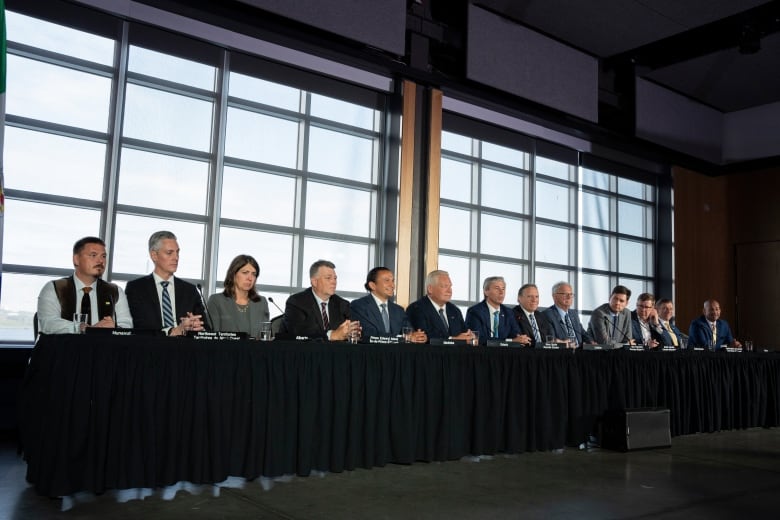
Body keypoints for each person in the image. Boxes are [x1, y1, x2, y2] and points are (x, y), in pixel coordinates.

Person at [37, 236, 133, 334]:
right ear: (76, 259)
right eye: (93, 255)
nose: (101, 261)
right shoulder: (54, 288)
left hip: (104, 348)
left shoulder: (115, 291)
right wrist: (82, 328)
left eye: (103, 256)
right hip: (63, 347)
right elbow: (48, 323)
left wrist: (115, 328)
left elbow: (127, 327)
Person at [125, 231, 206, 336]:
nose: (176, 258)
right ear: (154, 255)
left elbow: (206, 326)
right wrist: (173, 331)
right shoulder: (136, 288)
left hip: (185, 348)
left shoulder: (190, 290)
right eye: (169, 253)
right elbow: (138, 326)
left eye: (177, 252)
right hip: (150, 348)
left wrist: (196, 325)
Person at [349, 267, 427, 342]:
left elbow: (408, 332)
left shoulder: (398, 310)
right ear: (372, 285)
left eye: (393, 281)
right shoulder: (359, 306)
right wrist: (404, 338)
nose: (392, 285)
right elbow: (369, 334)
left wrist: (418, 336)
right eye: (387, 280)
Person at [285, 259, 352, 340]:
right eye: (328, 278)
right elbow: (298, 332)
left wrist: (352, 331)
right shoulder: (297, 302)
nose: (334, 282)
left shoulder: (342, 304)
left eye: (335, 278)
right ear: (314, 282)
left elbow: (354, 330)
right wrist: (331, 335)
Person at [207, 254, 270, 338]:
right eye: (245, 273)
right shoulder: (216, 301)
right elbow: (211, 336)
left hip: (255, 350)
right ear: (233, 274)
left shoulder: (261, 302)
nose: (250, 278)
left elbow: (265, 336)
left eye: (254, 274)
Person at [406, 270, 473, 342]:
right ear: (430, 289)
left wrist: (469, 336)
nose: (449, 291)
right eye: (444, 286)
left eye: (450, 287)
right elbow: (424, 337)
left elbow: (464, 333)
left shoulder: (454, 310)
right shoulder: (416, 309)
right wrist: (452, 340)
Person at [465, 276, 528, 345]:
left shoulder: (509, 313)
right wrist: (510, 341)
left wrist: (521, 339)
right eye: (497, 288)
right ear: (486, 292)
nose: (501, 292)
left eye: (503, 289)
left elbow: (516, 335)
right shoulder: (475, 311)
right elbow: (476, 339)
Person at [542, 281, 593, 348]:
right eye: (565, 294)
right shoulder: (547, 315)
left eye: (571, 294)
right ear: (554, 296)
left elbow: (583, 333)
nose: (569, 297)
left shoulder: (574, 314)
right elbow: (551, 340)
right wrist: (564, 344)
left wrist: (592, 342)